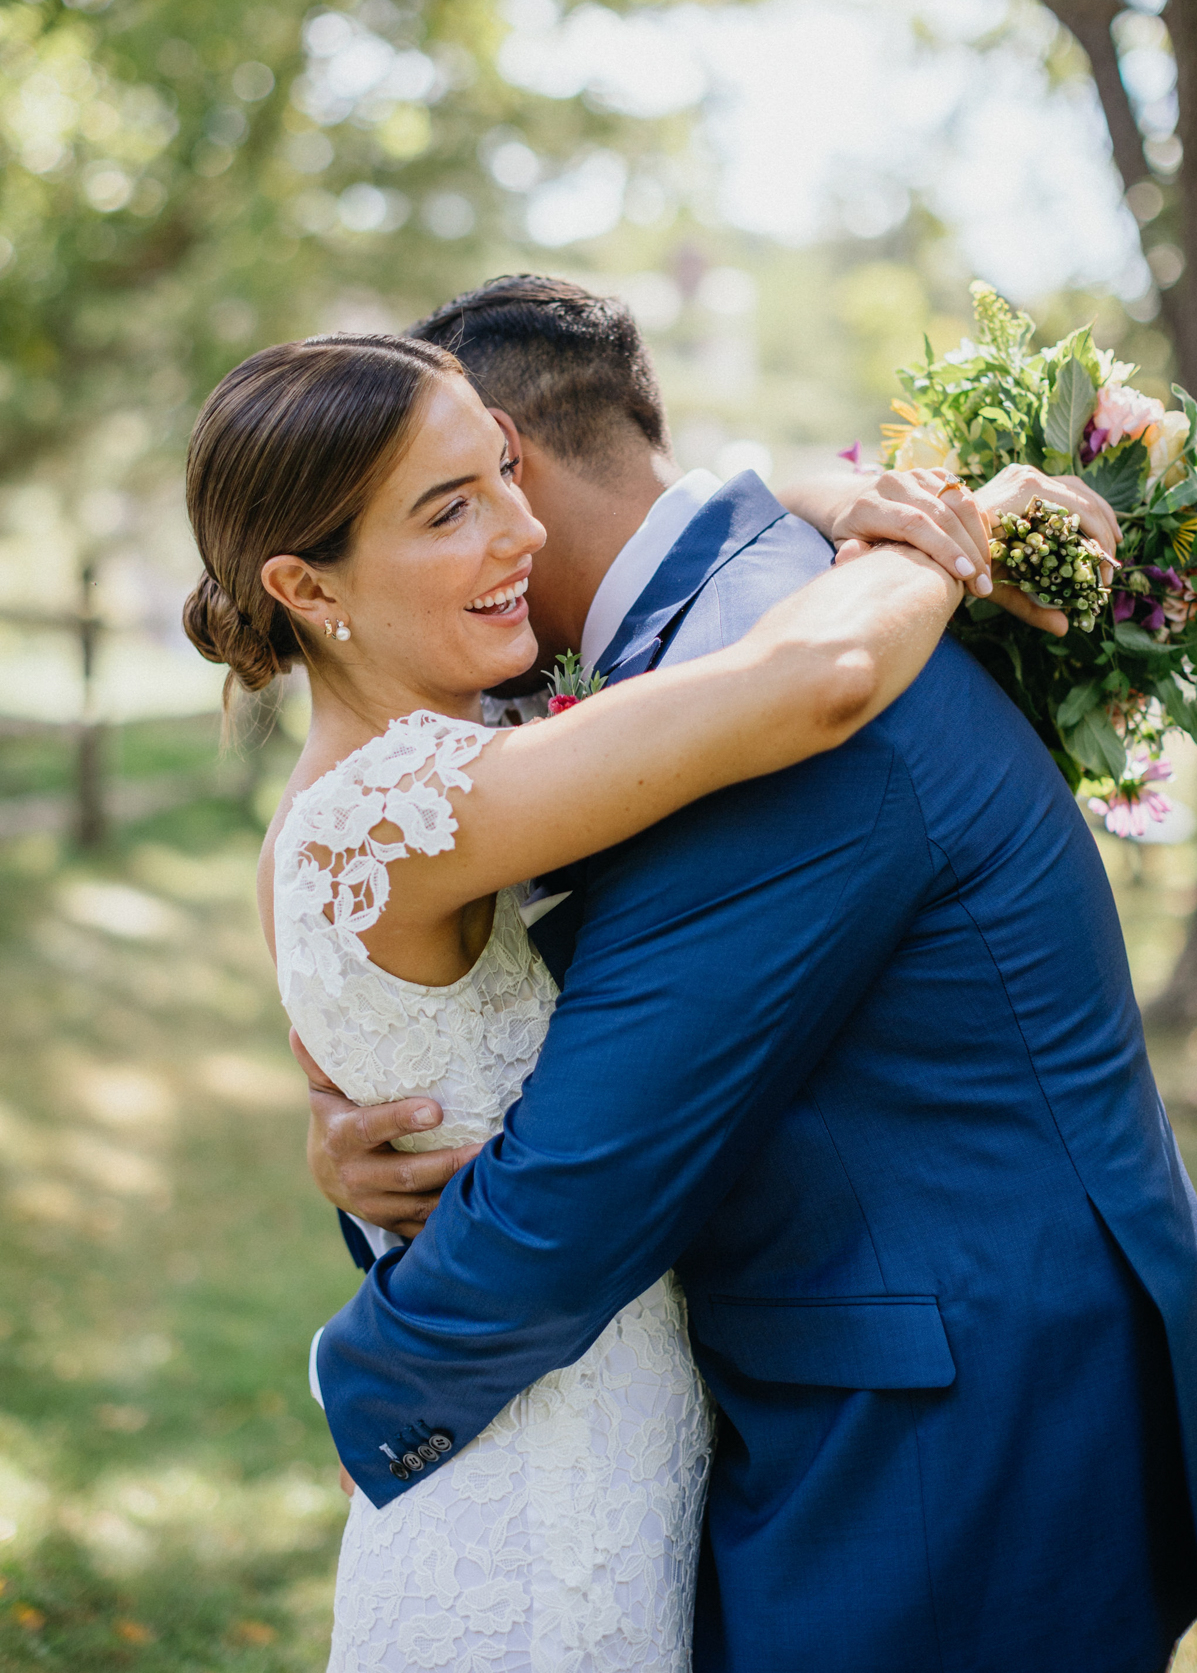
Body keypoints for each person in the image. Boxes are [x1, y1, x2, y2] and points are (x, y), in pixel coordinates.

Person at [295, 279, 1197, 1673]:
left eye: (461, 497)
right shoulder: (737, 614)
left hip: (950, 1439)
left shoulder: (759, 682)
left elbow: (591, 1174)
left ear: (513, 472)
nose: (479, 537)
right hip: (919, 1377)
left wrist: (367, 1386)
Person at [182, 322, 966, 1671]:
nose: (522, 529)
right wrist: (932, 540)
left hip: (614, 1458)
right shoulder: (393, 815)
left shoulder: (438, 763)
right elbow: (820, 680)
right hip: (529, 1518)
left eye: (503, 473)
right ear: (309, 588)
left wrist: (813, 485)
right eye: (451, 510)